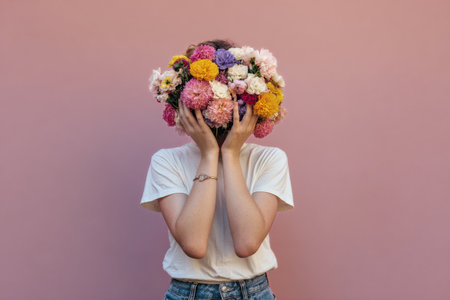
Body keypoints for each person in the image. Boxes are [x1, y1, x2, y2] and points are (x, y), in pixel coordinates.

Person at [140, 40, 294, 300]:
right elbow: (194, 244)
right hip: (187, 293)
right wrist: (210, 154)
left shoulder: (270, 159)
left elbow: (247, 243)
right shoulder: (166, 162)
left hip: (253, 293)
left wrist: (230, 153)